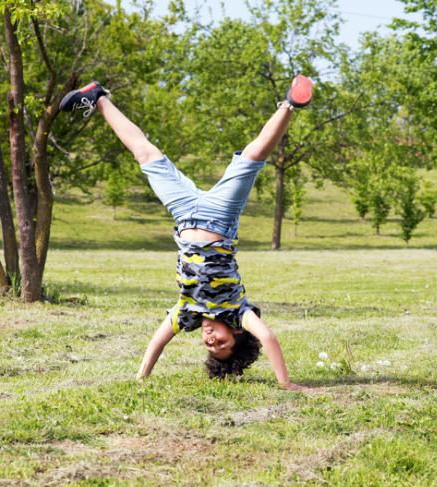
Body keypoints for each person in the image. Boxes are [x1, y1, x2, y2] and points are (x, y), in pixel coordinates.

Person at [60, 76, 313, 391]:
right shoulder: (238, 312)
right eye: (220, 343)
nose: (210, 340)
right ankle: (290, 102)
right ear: (236, 334)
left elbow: (157, 342)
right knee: (251, 160)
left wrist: (141, 379)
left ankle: (97, 97)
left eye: (209, 347)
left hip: (183, 215)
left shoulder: (186, 313)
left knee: (146, 156)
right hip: (219, 219)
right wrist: (285, 383)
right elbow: (268, 338)